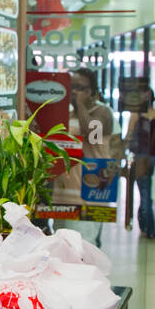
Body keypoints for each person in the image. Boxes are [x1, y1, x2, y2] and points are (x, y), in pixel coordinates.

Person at [55, 68, 117, 247]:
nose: (74, 92)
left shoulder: (103, 112)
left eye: (80, 88)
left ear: (91, 91)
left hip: (91, 189)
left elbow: (92, 134)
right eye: (71, 87)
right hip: (65, 192)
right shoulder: (67, 113)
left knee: (84, 245)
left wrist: (81, 105)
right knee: (63, 245)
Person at [124, 84, 155, 240]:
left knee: (144, 192)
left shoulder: (136, 115)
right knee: (147, 190)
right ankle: (145, 224)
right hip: (153, 158)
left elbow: (128, 136)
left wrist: (122, 149)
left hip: (140, 158)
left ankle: (149, 228)